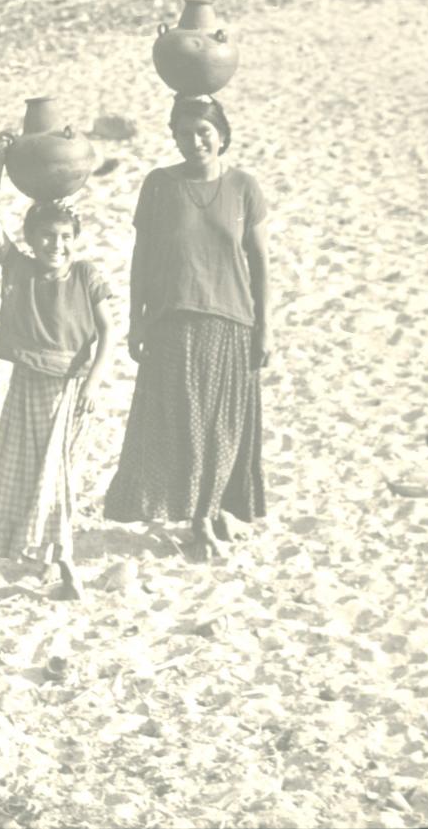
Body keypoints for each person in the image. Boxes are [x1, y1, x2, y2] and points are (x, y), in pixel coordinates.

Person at [103, 94, 272, 557]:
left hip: (232, 320)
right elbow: (142, 258)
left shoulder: (244, 187)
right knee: (187, 423)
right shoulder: (159, 185)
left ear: (222, 135)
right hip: (172, 320)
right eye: (184, 133)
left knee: (224, 426)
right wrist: (136, 320)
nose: (194, 141)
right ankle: (199, 519)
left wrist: (266, 327)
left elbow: (259, 263)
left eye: (203, 132)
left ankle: (213, 508)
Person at [0, 131, 114, 598]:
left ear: (75, 239)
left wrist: (94, 385)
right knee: (27, 473)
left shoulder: (86, 276)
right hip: (28, 386)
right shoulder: (20, 269)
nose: (55, 246)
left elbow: (108, 335)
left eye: (64, 238)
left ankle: (66, 564)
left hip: (69, 390)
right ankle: (49, 559)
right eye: (45, 237)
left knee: (57, 477)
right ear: (32, 240)